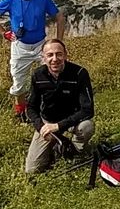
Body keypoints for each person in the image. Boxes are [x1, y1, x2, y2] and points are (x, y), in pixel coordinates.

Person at [0, 0, 65, 122]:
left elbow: (60, 18)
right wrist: (4, 33)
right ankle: (21, 114)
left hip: (41, 45)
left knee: (54, 74)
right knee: (18, 82)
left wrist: (58, 42)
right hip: (19, 46)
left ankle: (52, 110)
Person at [24, 39, 96, 175]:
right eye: (50, 55)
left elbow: (88, 109)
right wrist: (41, 127)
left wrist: (59, 126)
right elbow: (31, 107)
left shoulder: (79, 73)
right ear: (43, 58)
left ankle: (73, 151)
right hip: (47, 122)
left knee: (87, 127)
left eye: (59, 54)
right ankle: (57, 146)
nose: (55, 59)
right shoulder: (37, 75)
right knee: (32, 170)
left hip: (72, 120)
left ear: (66, 55)